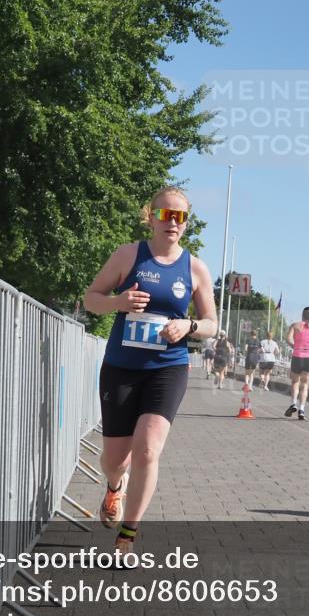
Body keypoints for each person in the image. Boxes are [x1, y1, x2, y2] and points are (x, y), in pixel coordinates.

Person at [84, 186, 217, 555]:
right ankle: (114, 487)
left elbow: (211, 324)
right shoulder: (128, 256)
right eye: (165, 215)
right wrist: (118, 302)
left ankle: (127, 535)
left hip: (168, 368)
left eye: (180, 216)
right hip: (121, 368)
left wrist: (189, 326)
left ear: (186, 223)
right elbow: (91, 299)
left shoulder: (194, 268)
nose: (172, 222)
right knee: (115, 460)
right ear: (151, 217)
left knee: (147, 450)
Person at [285, 307, 309, 420]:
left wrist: (295, 346)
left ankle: (293, 404)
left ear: (302, 314)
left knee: (295, 382)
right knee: (305, 385)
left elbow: (288, 339)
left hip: (298, 356)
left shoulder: (295, 326)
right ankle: (301, 410)